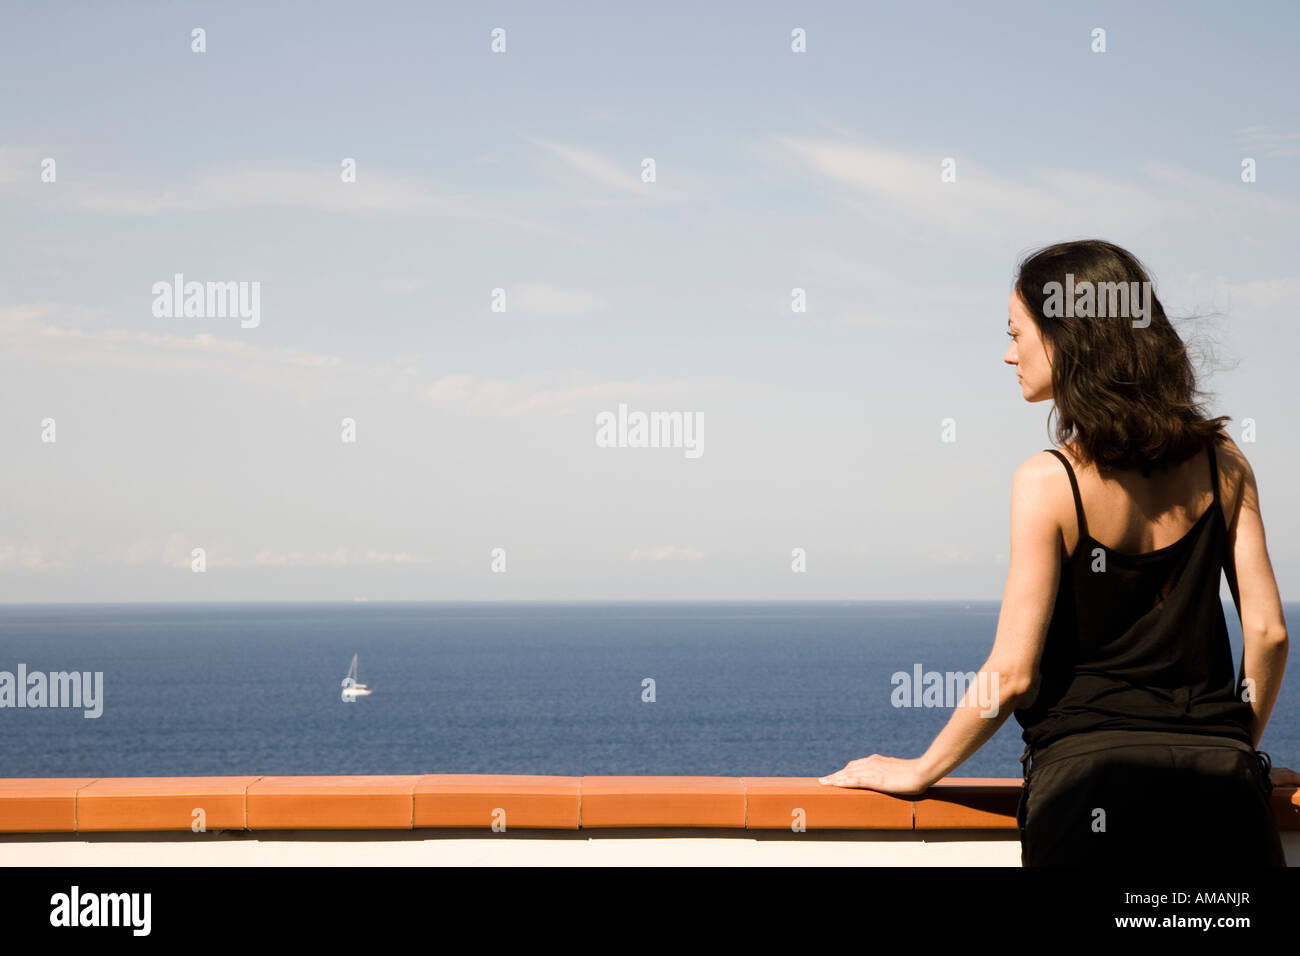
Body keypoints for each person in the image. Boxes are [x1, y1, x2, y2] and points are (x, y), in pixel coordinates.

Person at [819, 239, 1295, 867]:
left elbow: (1012, 674)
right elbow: (1268, 632)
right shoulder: (1224, 460)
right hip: (1220, 797)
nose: (1008, 353)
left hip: (1087, 797)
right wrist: (1234, 752)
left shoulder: (1048, 482)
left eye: (1017, 334)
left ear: (1068, 338)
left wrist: (920, 769)